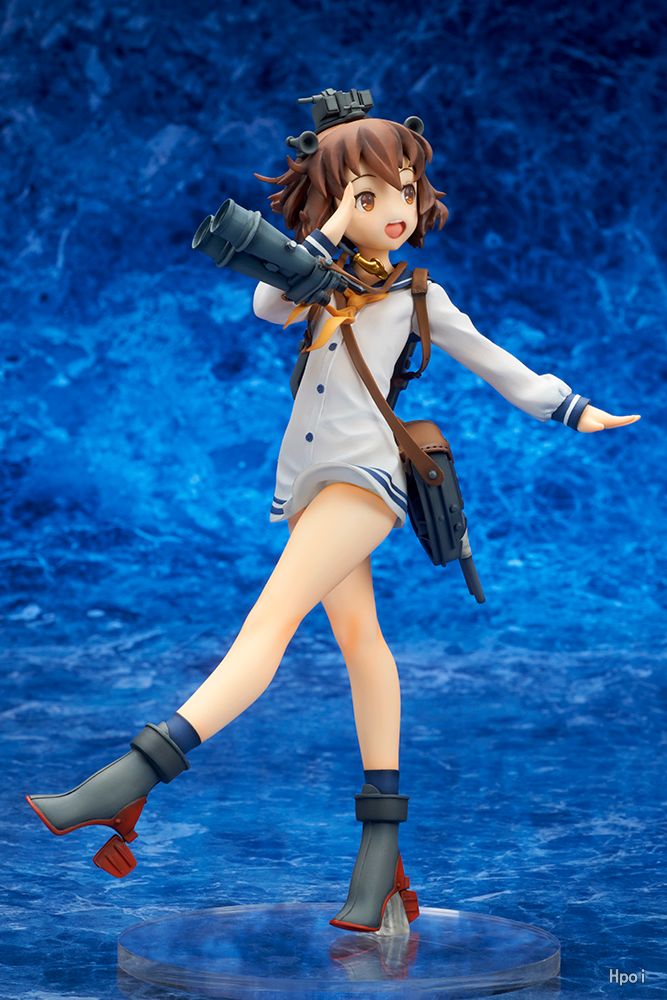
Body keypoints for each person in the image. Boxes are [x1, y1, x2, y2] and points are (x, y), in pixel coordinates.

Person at [25, 90, 640, 933]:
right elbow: (266, 305)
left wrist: (573, 410)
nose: (397, 209)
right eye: (370, 194)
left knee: (266, 629)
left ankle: (127, 781)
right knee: (362, 645)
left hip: (365, 480)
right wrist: (329, 229)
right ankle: (381, 854)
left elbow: (499, 364)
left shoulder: (417, 296)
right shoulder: (315, 279)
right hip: (308, 484)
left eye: (406, 190)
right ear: (337, 202)